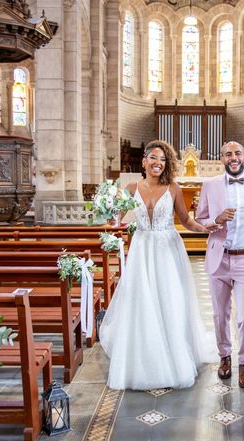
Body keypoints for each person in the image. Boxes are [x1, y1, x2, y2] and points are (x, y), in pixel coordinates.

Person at [99, 140, 218, 390]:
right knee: (141, 302)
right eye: (153, 158)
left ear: (167, 164)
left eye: (163, 159)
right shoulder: (131, 188)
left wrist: (206, 227)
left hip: (167, 250)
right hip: (142, 249)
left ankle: (172, 357)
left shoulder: (173, 188)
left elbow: (185, 220)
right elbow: (116, 219)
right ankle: (143, 359)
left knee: (169, 300)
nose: (158, 163)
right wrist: (110, 217)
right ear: (144, 161)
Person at [195, 141, 244, 388]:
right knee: (220, 315)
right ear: (222, 159)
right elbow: (200, 219)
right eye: (228, 154)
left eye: (237, 153)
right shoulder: (210, 185)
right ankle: (225, 357)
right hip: (220, 257)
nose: (233, 157)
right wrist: (216, 219)